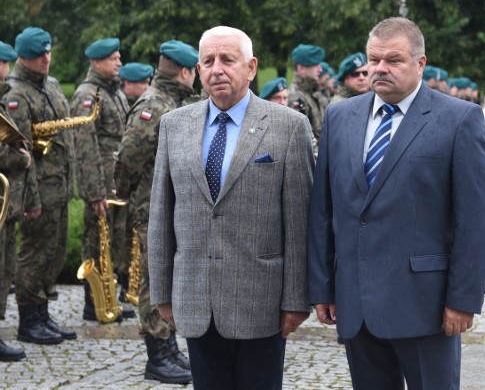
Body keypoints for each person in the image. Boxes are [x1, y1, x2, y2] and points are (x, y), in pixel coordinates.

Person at [308, 17, 485, 390]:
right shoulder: (340, 116)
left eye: (393, 60)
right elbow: (323, 210)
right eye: (373, 60)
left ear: (420, 63)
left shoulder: (459, 120)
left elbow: (478, 220)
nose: (380, 69)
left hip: (426, 306)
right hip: (356, 303)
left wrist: (463, 299)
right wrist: (323, 287)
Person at [149, 26, 314, 390]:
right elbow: (161, 214)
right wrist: (161, 291)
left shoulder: (289, 127)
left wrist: (297, 299)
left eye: (228, 59)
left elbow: (300, 223)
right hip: (196, 297)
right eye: (208, 61)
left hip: (262, 301)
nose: (216, 69)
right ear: (198, 69)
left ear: (251, 67)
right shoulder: (175, 126)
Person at [114, 40, 200, 384]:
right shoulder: (156, 104)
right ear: (185, 71)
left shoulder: (175, 102)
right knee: (155, 278)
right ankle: (157, 353)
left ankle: (169, 346)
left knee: (168, 277)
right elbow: (128, 158)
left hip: (171, 206)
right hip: (152, 207)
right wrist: (128, 192)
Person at [3, 27, 77, 345]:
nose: (46, 59)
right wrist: (30, 200)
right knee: (34, 255)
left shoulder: (53, 85)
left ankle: (42, 313)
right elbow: (21, 153)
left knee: (54, 253)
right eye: (38, 54)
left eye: (48, 52)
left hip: (60, 186)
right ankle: (28, 320)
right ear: (23, 58)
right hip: (39, 190)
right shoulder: (16, 94)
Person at [70, 37, 135, 321]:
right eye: (113, 58)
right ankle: (93, 303)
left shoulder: (115, 93)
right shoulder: (88, 94)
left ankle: (109, 301)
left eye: (119, 57)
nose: (119, 62)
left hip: (115, 182)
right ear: (96, 62)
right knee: (96, 242)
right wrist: (94, 191)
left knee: (115, 243)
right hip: (100, 184)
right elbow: (84, 147)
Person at [0, 41, 33, 361]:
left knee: (4, 268)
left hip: (6, 205)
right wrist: (20, 159)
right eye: (3, 64)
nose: (6, 71)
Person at [288, 44, 329, 142]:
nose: (320, 69)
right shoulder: (296, 97)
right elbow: (302, 140)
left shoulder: (314, 92)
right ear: (301, 68)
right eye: (315, 65)